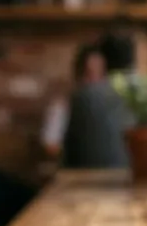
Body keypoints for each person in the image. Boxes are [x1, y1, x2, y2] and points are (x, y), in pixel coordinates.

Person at [41, 33, 138, 169]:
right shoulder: (64, 105)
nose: (93, 81)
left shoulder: (119, 104)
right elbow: (50, 145)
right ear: (78, 74)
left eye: (97, 74)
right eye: (88, 73)